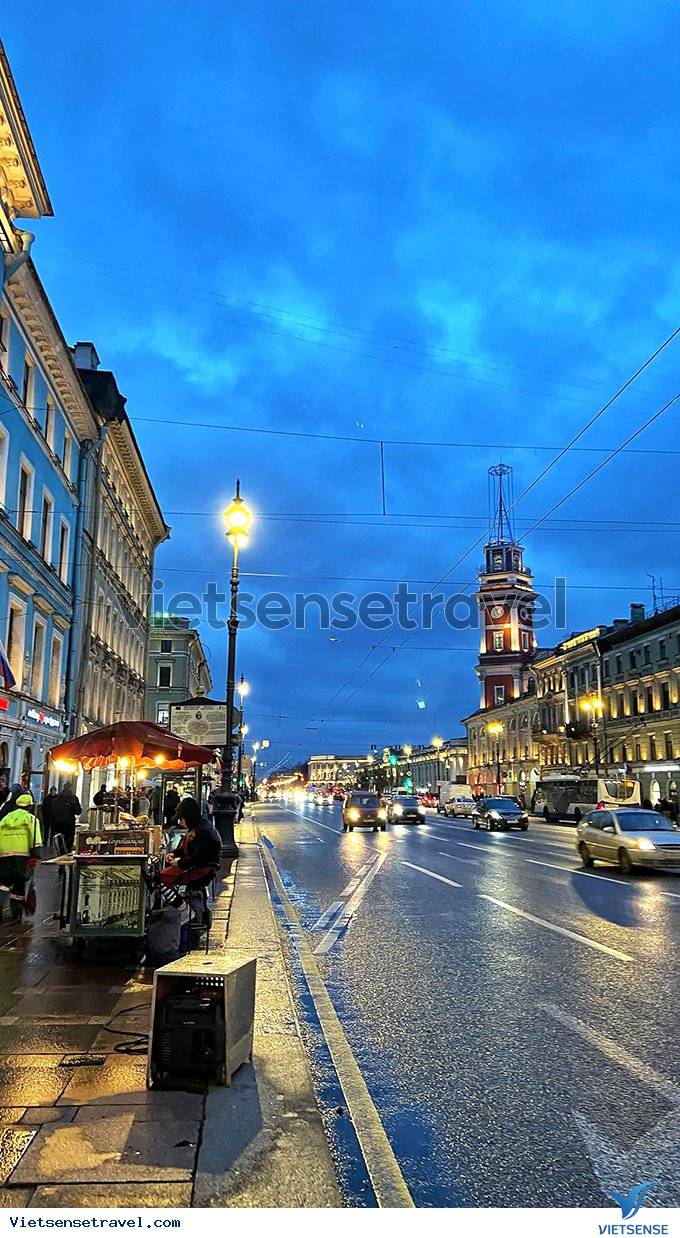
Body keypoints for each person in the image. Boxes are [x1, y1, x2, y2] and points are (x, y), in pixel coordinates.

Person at [159, 797, 221, 889]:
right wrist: (174, 854)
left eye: (182, 818)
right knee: (164, 874)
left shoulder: (202, 831)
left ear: (188, 816)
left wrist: (179, 862)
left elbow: (199, 858)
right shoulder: (198, 826)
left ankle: (176, 901)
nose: (180, 822)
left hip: (202, 870)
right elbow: (188, 849)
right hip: (198, 866)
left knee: (162, 876)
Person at [0, 792, 42, 920]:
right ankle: (16, 914)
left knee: (3, 883)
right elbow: (36, 839)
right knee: (19, 883)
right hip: (21, 856)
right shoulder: (31, 819)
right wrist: (35, 855)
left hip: (4, 855)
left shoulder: (6, 818)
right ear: (30, 806)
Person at [49, 782, 82, 852]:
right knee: (68, 841)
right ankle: (67, 853)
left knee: (59, 839)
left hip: (57, 823)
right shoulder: (73, 798)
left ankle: (59, 852)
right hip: (69, 823)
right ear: (71, 788)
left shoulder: (56, 799)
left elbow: (52, 812)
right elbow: (78, 811)